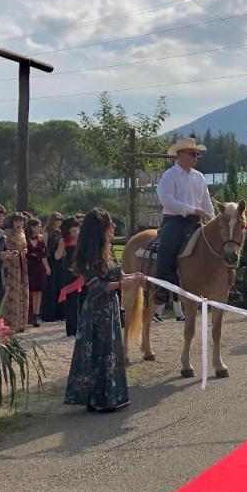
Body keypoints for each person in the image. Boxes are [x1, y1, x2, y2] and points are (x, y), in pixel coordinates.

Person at [64, 208, 146, 413]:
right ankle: (97, 398)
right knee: (99, 352)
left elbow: (115, 274)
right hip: (96, 311)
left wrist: (132, 276)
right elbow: (97, 286)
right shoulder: (88, 255)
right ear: (101, 228)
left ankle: (109, 396)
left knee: (110, 351)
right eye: (110, 225)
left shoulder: (106, 251)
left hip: (110, 308)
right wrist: (124, 284)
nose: (113, 228)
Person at [153, 137, 214, 306]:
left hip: (196, 220)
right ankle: (162, 287)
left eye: (197, 155)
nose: (196, 158)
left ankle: (220, 282)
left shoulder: (199, 177)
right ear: (179, 155)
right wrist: (194, 210)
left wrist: (213, 220)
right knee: (168, 245)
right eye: (192, 154)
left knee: (218, 242)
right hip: (175, 220)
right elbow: (167, 201)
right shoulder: (169, 176)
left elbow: (207, 202)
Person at [1, 213, 30, 332]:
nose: (19, 223)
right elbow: (4, 247)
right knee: (12, 292)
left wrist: (24, 251)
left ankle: (21, 323)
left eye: (21, 221)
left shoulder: (22, 232)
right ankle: (10, 323)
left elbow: (25, 246)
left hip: (22, 263)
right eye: (17, 221)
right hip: (12, 265)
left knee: (22, 290)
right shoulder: (7, 233)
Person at [57, 216, 82, 337]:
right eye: (71, 231)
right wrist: (62, 244)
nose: (74, 233)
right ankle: (71, 329)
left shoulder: (83, 239)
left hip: (82, 272)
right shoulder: (65, 240)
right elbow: (57, 256)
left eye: (76, 230)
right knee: (70, 301)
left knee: (82, 300)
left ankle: (82, 328)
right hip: (68, 272)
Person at [40, 213, 65, 322]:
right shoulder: (47, 233)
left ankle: (60, 313)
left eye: (61, 219)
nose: (59, 221)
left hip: (60, 263)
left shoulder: (61, 233)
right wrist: (46, 266)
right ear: (52, 220)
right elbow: (43, 252)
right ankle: (49, 314)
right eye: (56, 219)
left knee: (59, 287)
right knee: (50, 288)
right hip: (50, 261)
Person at [25, 217, 49, 327]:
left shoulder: (41, 240)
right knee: (27, 291)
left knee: (38, 292)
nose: (40, 228)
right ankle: (26, 315)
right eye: (38, 226)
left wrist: (47, 267)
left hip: (39, 268)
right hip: (28, 268)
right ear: (32, 227)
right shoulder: (24, 239)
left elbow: (44, 255)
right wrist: (32, 255)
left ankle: (35, 315)